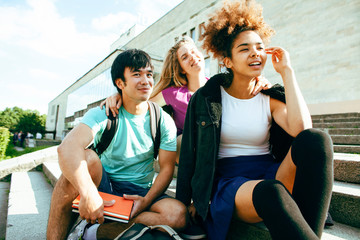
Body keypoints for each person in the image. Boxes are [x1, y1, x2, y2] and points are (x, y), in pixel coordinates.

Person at [175, 1, 334, 240]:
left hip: (271, 171)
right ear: (227, 61)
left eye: (260, 47)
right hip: (232, 183)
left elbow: (301, 130)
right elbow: (188, 155)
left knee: (316, 139)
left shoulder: (268, 96)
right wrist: (185, 204)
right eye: (244, 48)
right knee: (270, 191)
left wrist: (287, 72)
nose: (255, 53)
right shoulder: (206, 99)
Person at [47, 49, 187, 240]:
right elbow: (67, 148)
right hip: (105, 184)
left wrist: (145, 200)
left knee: (177, 215)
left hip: (140, 190)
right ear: (120, 83)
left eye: (148, 74)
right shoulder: (104, 113)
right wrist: (89, 193)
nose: (146, 80)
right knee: (86, 159)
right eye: (137, 74)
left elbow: (166, 169)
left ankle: (94, 231)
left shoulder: (163, 120)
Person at [101, 37, 270, 164]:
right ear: (180, 68)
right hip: (186, 149)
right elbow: (138, 101)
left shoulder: (220, 85)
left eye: (193, 52)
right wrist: (118, 95)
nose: (192, 57)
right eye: (184, 57)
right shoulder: (173, 94)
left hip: (222, 147)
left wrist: (259, 80)